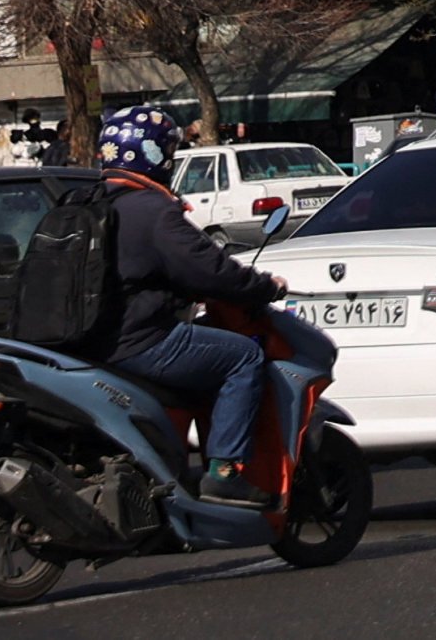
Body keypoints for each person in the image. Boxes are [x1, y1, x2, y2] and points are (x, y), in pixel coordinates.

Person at [89, 105, 326, 506]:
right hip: (138, 342)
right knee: (243, 357)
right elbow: (212, 270)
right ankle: (225, 472)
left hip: (83, 344)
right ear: (157, 155)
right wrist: (266, 287)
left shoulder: (85, 201)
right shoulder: (152, 210)